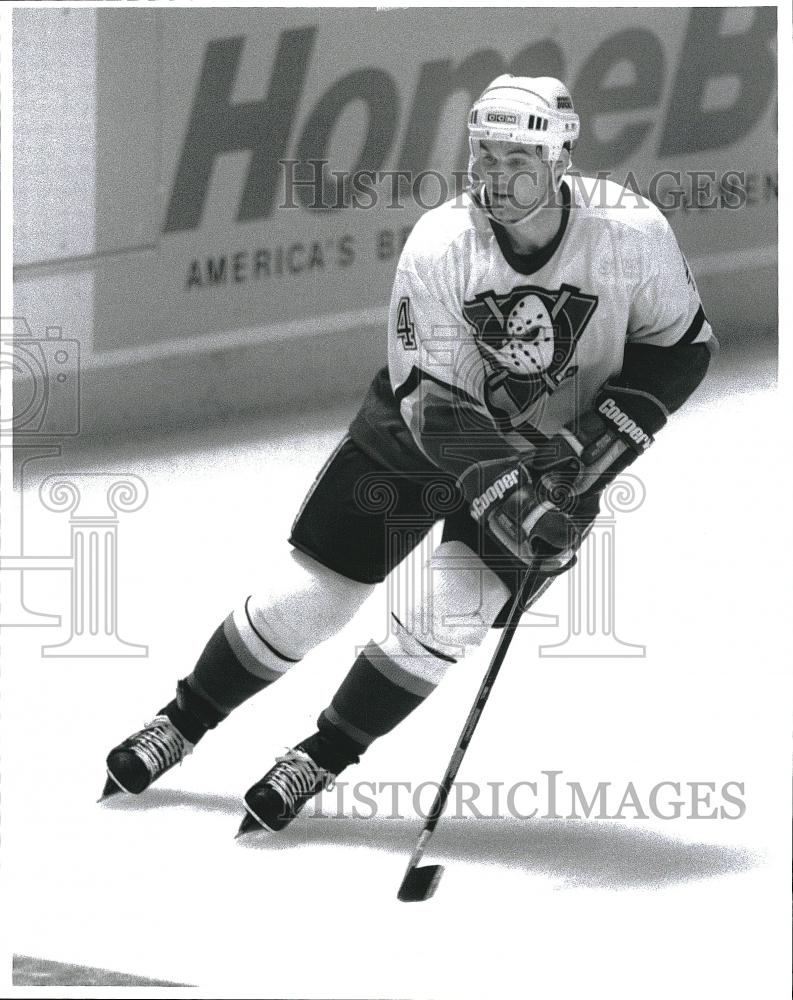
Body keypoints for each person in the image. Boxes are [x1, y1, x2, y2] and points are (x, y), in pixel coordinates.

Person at [102, 75, 716, 835]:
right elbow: (434, 403)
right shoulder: (442, 241)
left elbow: (679, 350)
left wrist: (586, 457)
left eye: (516, 160)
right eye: (484, 156)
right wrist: (517, 501)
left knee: (445, 616)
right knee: (308, 600)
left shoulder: (630, 232)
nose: (494, 176)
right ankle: (183, 721)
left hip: (551, 455)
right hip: (418, 438)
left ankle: (321, 755)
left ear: (560, 158)